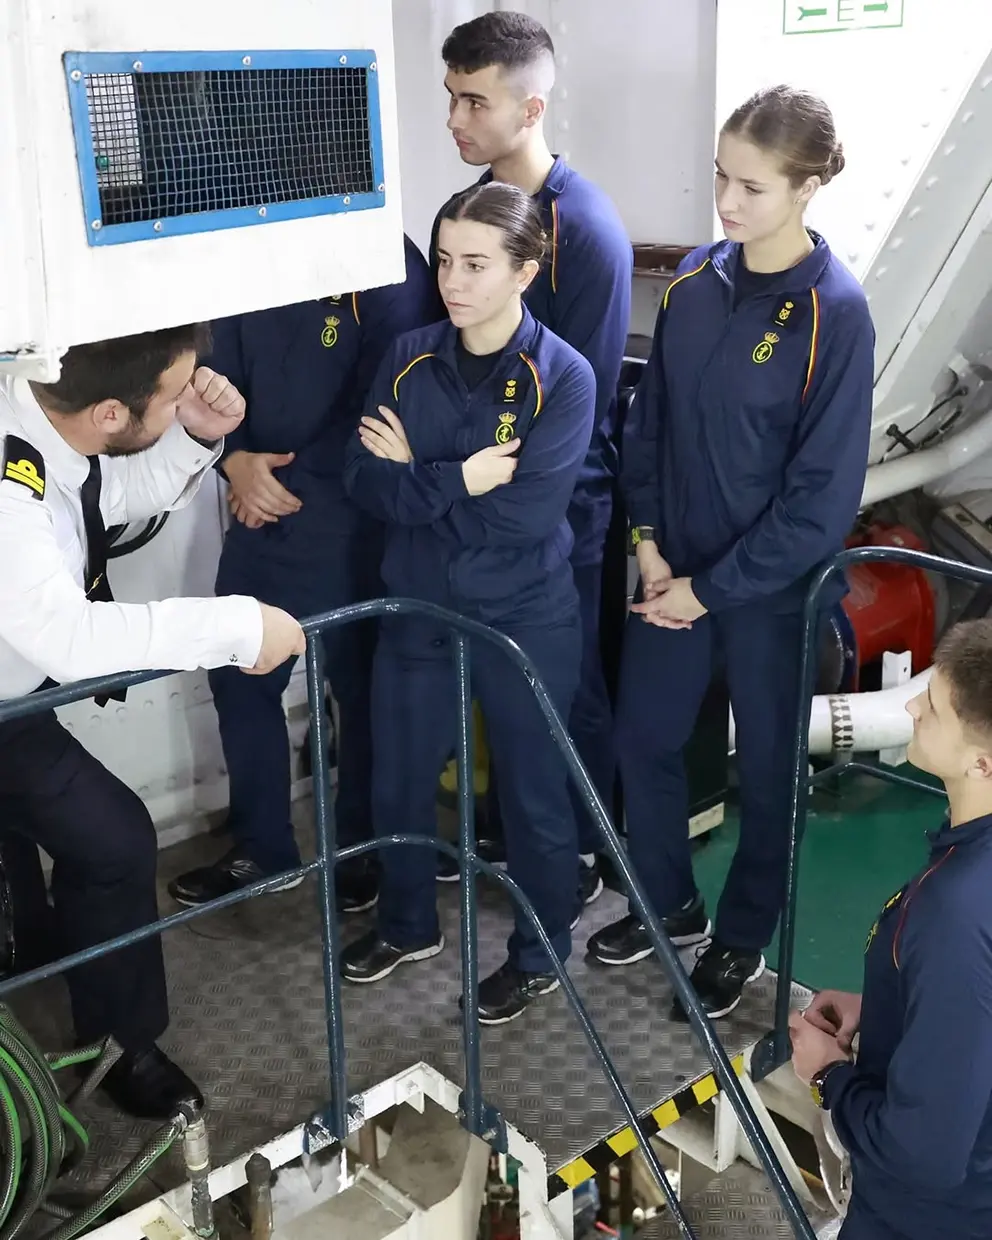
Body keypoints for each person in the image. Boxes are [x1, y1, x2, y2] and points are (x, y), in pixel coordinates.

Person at [588, 86, 876, 1018]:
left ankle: (742, 937)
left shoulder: (836, 314)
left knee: (767, 773)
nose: (727, 201)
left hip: (766, 595)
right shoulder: (697, 284)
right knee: (645, 740)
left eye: (751, 186)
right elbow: (651, 422)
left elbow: (818, 501)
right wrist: (648, 544)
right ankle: (666, 904)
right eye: (721, 175)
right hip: (670, 568)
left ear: (807, 187)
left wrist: (708, 591)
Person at [0, 325, 305, 1119]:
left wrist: (193, 438)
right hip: (15, 698)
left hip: (11, 709)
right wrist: (238, 627)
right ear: (109, 412)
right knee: (81, 860)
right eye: (174, 395)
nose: (191, 397)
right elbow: (68, 639)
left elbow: (105, 499)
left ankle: (118, 1045)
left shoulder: (37, 418)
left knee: (103, 844)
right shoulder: (5, 485)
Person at [339, 182, 595, 1024]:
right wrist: (458, 477)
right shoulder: (410, 352)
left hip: (523, 613)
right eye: (446, 260)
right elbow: (361, 480)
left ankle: (540, 948)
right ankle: (409, 923)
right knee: (399, 779)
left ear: (525, 270)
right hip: (416, 605)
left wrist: (417, 474)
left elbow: (525, 518)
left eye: (477, 264)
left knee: (532, 793)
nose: (453, 280)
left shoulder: (563, 376)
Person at [168, 235, 441, 914]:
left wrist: (273, 479)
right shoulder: (245, 247)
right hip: (256, 508)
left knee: (358, 686)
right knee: (237, 674)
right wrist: (233, 460)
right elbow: (207, 370)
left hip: (353, 514)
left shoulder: (383, 256)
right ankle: (263, 846)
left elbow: (388, 393)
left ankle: (363, 849)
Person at [433, 12, 632, 901]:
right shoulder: (464, 215)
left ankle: (583, 853)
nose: (457, 120)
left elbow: (572, 405)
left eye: (475, 100)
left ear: (531, 104)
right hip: (474, 503)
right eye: (451, 98)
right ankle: (520, 839)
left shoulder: (584, 231)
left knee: (567, 683)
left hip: (560, 504)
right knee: (503, 682)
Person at [790, 621, 992, 1240]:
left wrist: (829, 1077)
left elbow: (923, 1155)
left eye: (930, 708)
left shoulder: (955, 913)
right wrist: (885, 1011)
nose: (909, 707)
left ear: (982, 763)